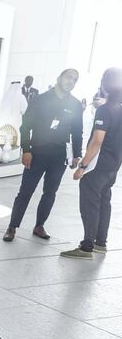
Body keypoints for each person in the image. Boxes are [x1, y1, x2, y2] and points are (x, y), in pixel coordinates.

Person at [3, 69, 83, 242]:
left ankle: (39, 225)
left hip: (59, 157)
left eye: (75, 80)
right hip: (37, 153)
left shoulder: (75, 105)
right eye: (69, 77)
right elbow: (25, 127)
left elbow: (77, 132)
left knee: (50, 192)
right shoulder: (40, 99)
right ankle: (12, 227)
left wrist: (76, 155)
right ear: (59, 77)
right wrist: (26, 150)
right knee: (25, 192)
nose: (71, 81)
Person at [61, 68, 122, 259]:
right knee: (104, 202)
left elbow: (97, 141)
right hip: (113, 165)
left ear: (105, 85)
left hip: (98, 166)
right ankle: (100, 243)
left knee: (90, 204)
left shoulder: (104, 110)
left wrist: (83, 166)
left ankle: (87, 246)